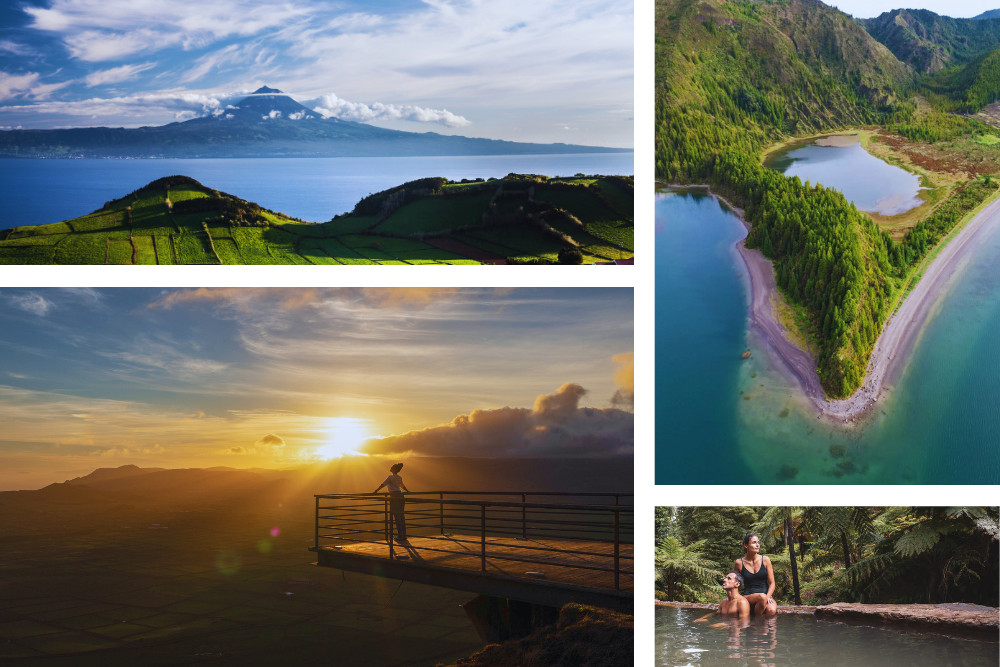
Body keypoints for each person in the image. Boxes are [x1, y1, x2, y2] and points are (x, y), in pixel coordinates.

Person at [735, 532, 777, 617]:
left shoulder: (765, 560)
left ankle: (761, 627)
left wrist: (768, 597)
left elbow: (772, 583)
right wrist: (737, 599)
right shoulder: (739, 563)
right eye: (754, 543)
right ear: (746, 545)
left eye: (758, 542)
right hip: (748, 596)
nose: (757, 545)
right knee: (762, 597)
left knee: (771, 610)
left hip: (765, 595)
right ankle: (756, 624)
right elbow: (735, 584)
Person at [373, 462, 409, 542]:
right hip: (401, 496)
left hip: (394, 497)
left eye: (392, 467)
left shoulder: (390, 477)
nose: (390, 468)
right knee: (401, 516)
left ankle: (400, 536)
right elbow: (402, 486)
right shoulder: (399, 477)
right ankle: (404, 535)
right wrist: (407, 491)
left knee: (397, 517)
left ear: (394, 469)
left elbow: (383, 484)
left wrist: (376, 490)